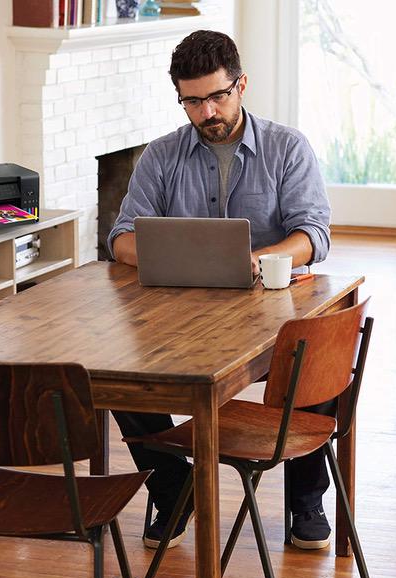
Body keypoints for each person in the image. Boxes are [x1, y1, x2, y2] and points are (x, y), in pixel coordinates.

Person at [108, 30, 332, 551]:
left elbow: (313, 234)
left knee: (318, 359)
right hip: (179, 317)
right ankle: (172, 488)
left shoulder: (287, 147)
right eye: (192, 101)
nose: (207, 112)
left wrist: (258, 258)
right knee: (120, 374)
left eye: (217, 96)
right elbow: (120, 238)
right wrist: (170, 256)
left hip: (270, 311)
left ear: (241, 85)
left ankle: (306, 498)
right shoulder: (161, 155)